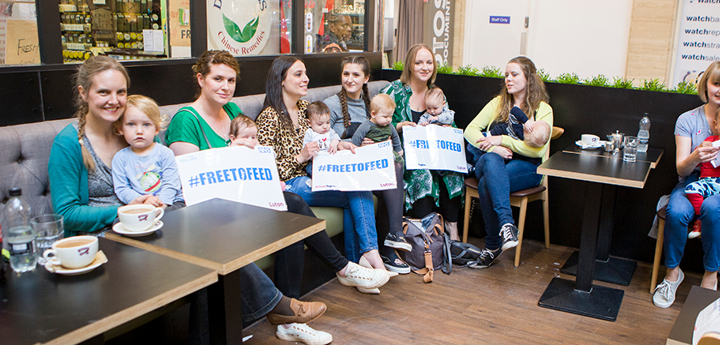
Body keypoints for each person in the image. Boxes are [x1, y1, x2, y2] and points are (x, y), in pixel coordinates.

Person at [50, 55, 330, 344]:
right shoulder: (70, 143)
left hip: (152, 226)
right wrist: (124, 211)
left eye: (120, 92)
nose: (114, 100)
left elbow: (167, 177)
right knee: (204, 250)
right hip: (106, 241)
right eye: (103, 92)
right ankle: (279, 306)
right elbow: (67, 214)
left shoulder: (132, 130)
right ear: (84, 93)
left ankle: (268, 311)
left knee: (207, 246)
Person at [164, 51, 387, 342]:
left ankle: (294, 314)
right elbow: (192, 179)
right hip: (212, 211)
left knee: (292, 206)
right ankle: (338, 271)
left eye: (230, 80)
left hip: (242, 199)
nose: (225, 86)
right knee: (293, 204)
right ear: (201, 79)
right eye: (218, 79)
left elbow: (256, 155)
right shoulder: (186, 119)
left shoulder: (232, 112)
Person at [255, 55, 388, 276]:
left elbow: (328, 137)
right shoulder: (269, 118)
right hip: (291, 184)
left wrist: (340, 144)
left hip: (319, 173)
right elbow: (265, 171)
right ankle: (364, 258)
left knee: (356, 186)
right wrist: (300, 157)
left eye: (305, 73)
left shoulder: (307, 108)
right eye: (298, 74)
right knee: (353, 191)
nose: (306, 79)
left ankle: (360, 261)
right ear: (281, 80)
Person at [463, 56, 554, 268]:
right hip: (493, 161)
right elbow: (470, 131)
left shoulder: (543, 109)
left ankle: (493, 244)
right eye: (506, 75)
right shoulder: (498, 103)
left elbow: (538, 149)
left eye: (514, 74)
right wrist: (495, 148)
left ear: (529, 79)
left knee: (487, 183)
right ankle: (507, 224)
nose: (508, 79)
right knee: (492, 161)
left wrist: (504, 140)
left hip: (527, 167)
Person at [324, 56, 411, 274]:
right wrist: (353, 144)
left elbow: (387, 125)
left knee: (396, 168)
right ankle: (390, 247)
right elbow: (327, 139)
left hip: (370, 166)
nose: (350, 79)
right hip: (347, 168)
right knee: (389, 181)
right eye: (346, 74)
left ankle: (391, 242)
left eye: (356, 75)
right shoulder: (331, 104)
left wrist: (394, 132)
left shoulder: (372, 103)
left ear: (366, 78)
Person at [380, 44, 465, 241]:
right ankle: (428, 236)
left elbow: (450, 122)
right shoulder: (393, 91)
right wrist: (399, 126)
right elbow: (375, 124)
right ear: (409, 65)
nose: (425, 67)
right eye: (419, 62)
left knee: (452, 170)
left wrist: (446, 129)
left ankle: (453, 231)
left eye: (429, 62)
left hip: (434, 152)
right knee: (423, 174)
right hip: (405, 156)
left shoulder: (436, 93)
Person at [654, 61, 720, 308]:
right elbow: (681, 169)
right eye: (716, 83)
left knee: (713, 208)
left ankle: (711, 277)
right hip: (693, 180)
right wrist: (696, 156)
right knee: (677, 210)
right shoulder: (688, 120)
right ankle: (672, 275)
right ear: (706, 85)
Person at [111, 95, 184, 211]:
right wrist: (142, 201)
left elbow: (171, 184)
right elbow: (122, 188)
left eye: (146, 125)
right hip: (141, 205)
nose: (139, 131)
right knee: (118, 221)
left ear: (156, 129)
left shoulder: (165, 153)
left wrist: (161, 205)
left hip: (171, 202)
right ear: (120, 128)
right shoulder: (120, 158)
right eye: (131, 124)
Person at [685, 109, 720, 238]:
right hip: (706, 182)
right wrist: (699, 151)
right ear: (716, 124)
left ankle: (702, 222)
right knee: (690, 189)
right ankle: (701, 219)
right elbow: (696, 163)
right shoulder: (709, 141)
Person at [351, 94, 404, 163]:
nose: (388, 120)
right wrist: (355, 151)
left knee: (400, 161)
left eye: (390, 116)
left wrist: (398, 149)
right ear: (373, 114)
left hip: (387, 152)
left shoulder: (390, 126)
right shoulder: (366, 126)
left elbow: (395, 137)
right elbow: (356, 139)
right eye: (385, 117)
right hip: (370, 153)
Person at [303, 101, 341, 176]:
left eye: (327, 122)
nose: (325, 126)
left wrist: (335, 141)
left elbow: (336, 136)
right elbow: (305, 148)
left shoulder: (329, 131)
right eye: (320, 124)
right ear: (309, 123)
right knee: (312, 170)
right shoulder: (310, 133)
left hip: (330, 160)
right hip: (315, 161)